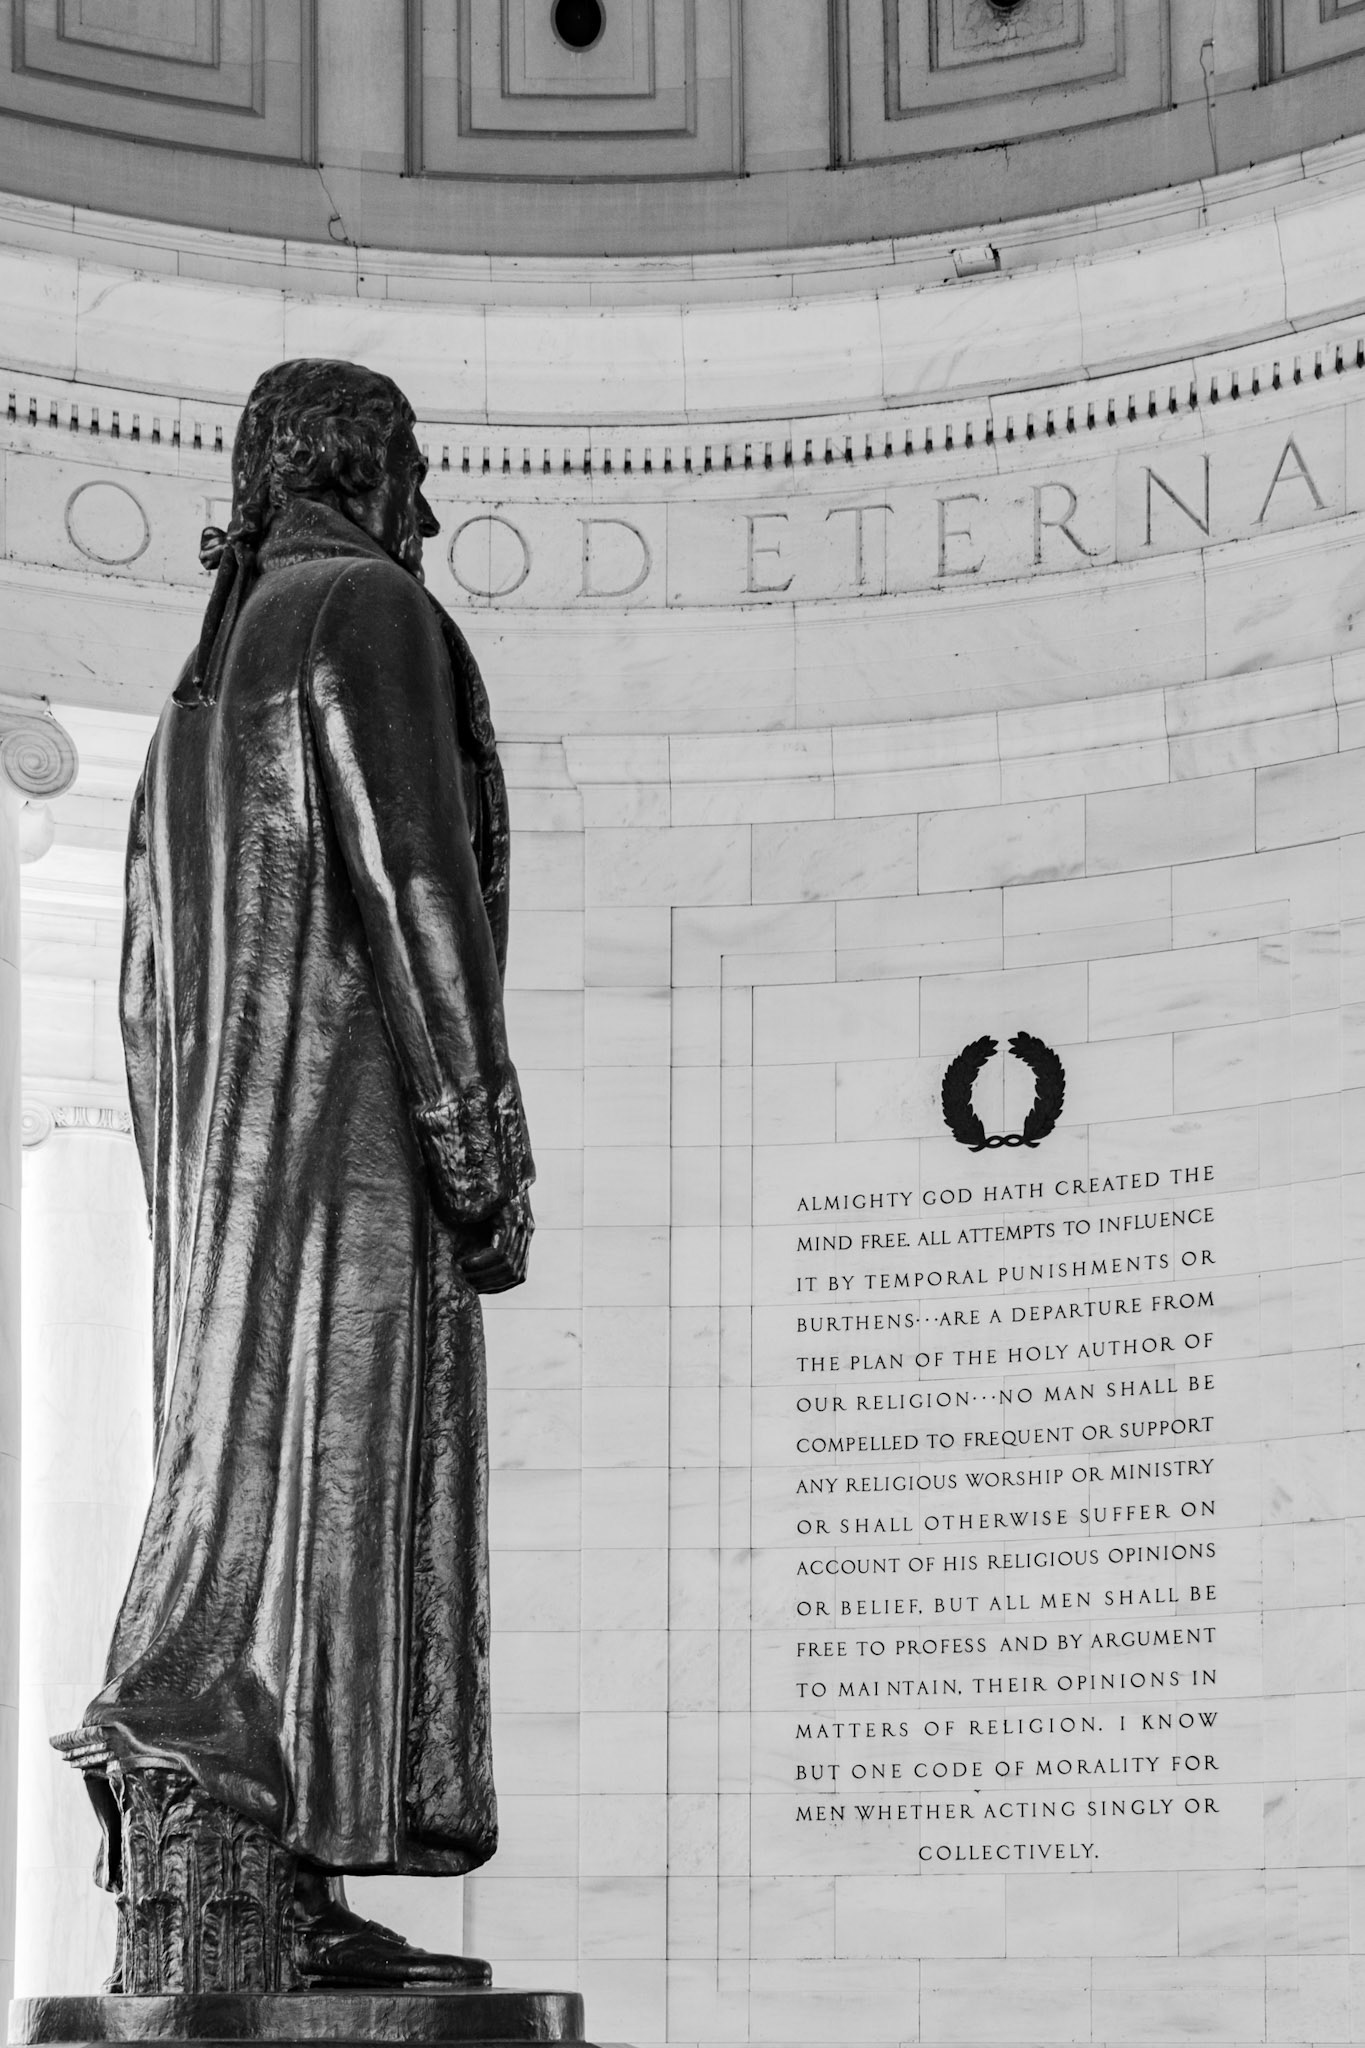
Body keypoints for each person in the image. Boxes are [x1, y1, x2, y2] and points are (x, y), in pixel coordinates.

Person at [77, 358, 533, 1987]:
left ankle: (278, 1879)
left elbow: (142, 994)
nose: (430, 509)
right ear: (359, 468)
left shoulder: (196, 693)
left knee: (268, 1486)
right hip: (348, 1153)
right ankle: (262, 1838)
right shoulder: (365, 611)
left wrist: (201, 1194)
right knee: (332, 1484)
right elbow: (420, 891)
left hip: (237, 1172)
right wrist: (480, 1145)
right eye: (414, 466)